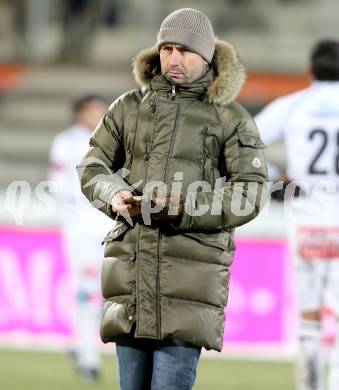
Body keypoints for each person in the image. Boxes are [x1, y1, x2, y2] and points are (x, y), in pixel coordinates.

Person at [77, 8, 268, 390]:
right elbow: (91, 165)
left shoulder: (230, 117)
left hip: (187, 283)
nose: (174, 58)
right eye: (168, 48)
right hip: (131, 281)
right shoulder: (128, 107)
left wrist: (184, 207)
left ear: (208, 57)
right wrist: (114, 195)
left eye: (185, 50)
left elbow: (251, 190)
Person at [255, 39, 339, 390]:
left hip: (305, 216)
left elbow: (243, 145)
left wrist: (277, 177)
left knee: (309, 315)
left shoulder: (292, 105)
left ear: (310, 71)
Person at [49, 94, 113, 382]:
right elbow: (58, 186)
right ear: (79, 113)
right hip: (81, 229)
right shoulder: (66, 142)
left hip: (110, 227)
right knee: (87, 290)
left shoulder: (114, 140)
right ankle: (88, 357)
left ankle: (80, 344)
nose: (98, 115)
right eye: (93, 111)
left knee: (108, 291)